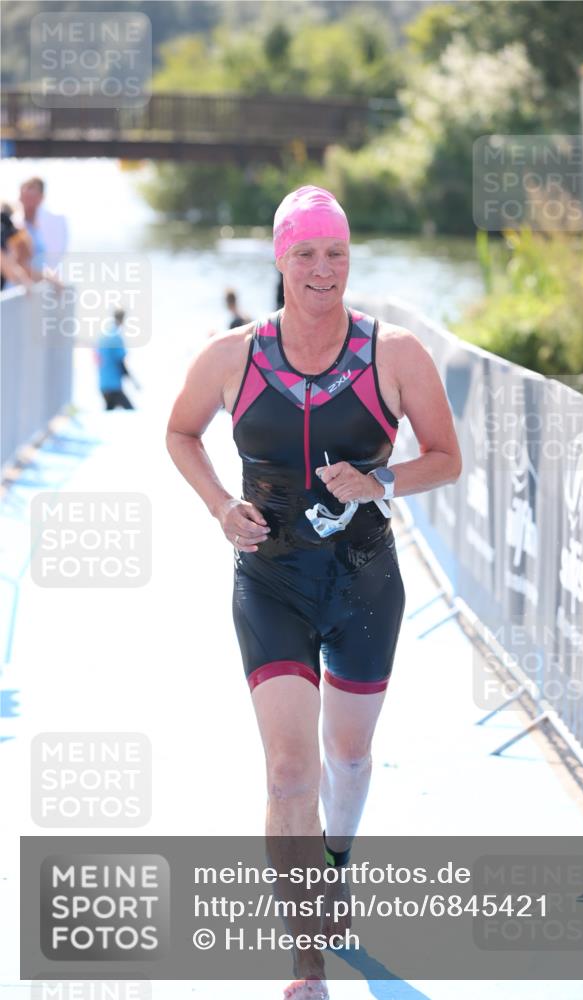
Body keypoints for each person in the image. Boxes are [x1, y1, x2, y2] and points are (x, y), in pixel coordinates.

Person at [166, 186, 462, 999]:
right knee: (290, 772)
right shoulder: (232, 356)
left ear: (349, 259)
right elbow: (179, 431)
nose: (321, 269)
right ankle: (306, 958)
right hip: (271, 582)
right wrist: (222, 505)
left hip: (365, 582)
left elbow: (446, 457)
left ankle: (337, 859)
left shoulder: (394, 354)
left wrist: (378, 480)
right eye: (304, 252)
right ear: (278, 259)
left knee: (348, 755)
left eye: (334, 252)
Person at [95, 308, 135, 410]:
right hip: (113, 386)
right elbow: (120, 362)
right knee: (130, 410)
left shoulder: (103, 336)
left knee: (109, 411)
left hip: (103, 383)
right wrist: (133, 380)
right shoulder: (116, 338)